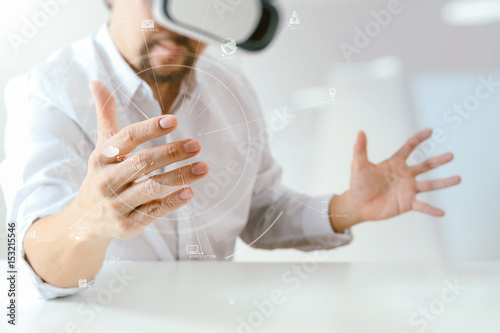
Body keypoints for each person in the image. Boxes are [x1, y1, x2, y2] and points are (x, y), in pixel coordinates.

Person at [1, 0, 460, 300]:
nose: (173, 22)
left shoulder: (232, 90)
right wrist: (89, 219)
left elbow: (261, 212)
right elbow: (28, 263)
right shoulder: (46, 91)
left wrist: (347, 207)